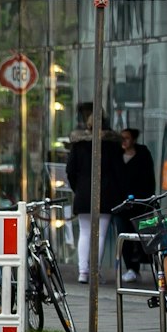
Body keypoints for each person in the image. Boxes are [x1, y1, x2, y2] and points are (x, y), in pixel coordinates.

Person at [66, 102, 124, 284]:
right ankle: (94, 271)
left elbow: (70, 170)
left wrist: (78, 188)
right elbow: (118, 171)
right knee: (99, 234)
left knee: (84, 232)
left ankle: (83, 271)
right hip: (105, 194)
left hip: (83, 193)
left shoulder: (78, 145)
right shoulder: (112, 145)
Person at [114, 126, 157, 282]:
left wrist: (148, 200)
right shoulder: (116, 156)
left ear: (134, 139)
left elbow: (149, 179)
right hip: (121, 206)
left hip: (140, 204)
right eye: (121, 138)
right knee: (124, 237)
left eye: (126, 138)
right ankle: (131, 268)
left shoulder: (143, 155)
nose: (123, 141)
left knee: (143, 237)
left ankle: (150, 266)